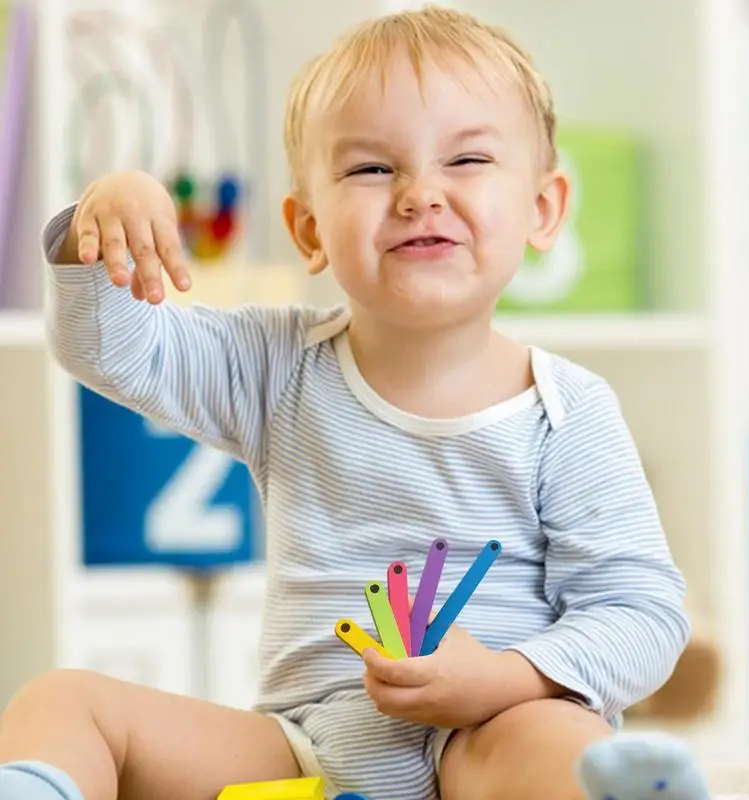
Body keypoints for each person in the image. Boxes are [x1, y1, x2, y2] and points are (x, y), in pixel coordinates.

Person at [0, 6, 691, 800]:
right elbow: (112, 350)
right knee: (62, 699)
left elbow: (640, 614)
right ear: (308, 229)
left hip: (485, 740)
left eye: (466, 159)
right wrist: (105, 222)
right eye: (371, 169)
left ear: (542, 209)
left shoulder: (567, 410)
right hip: (304, 753)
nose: (419, 194)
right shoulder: (277, 366)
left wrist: (505, 679)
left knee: (559, 737)